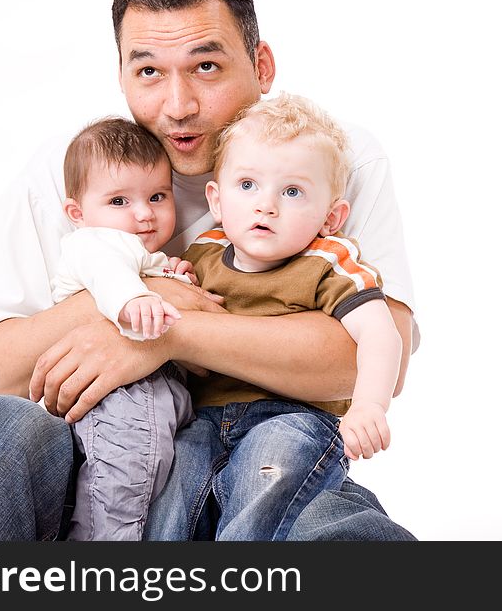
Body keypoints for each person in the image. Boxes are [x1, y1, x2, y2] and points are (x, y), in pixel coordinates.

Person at [0, 0, 417, 541]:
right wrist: (129, 299)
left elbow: (372, 358)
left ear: (261, 64)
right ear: (121, 74)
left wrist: (162, 335)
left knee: (335, 527)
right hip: (89, 468)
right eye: (148, 72)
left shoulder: (321, 157)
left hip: (259, 455)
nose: (178, 105)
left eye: (206, 65)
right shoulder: (79, 167)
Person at [157, 92, 401, 540]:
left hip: (292, 418)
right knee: (170, 492)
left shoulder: (327, 261)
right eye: (247, 185)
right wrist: (174, 280)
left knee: (269, 475)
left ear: (331, 217)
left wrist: (369, 404)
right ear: (216, 198)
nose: (265, 205)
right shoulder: (205, 253)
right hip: (203, 419)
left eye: (291, 192)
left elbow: (381, 333)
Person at [53, 117, 196, 540]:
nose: (143, 213)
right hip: (123, 392)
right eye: (119, 201)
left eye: (157, 196)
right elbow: (108, 274)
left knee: (150, 484)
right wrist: (136, 300)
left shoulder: (140, 253)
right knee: (123, 482)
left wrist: (174, 277)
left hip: (158, 388)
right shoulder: (94, 243)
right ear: (78, 213)